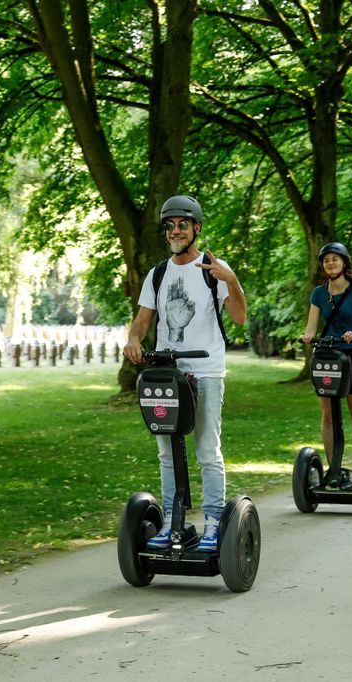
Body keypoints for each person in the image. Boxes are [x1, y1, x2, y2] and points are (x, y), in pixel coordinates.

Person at [123, 195, 247, 552]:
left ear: (196, 228)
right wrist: (133, 340)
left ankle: (212, 523)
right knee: (167, 451)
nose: (176, 230)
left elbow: (239, 317)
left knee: (207, 449)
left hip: (206, 369)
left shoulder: (214, 269)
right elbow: (143, 321)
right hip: (167, 373)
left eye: (183, 224)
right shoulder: (158, 274)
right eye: (170, 225)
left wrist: (232, 279)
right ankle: (174, 522)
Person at [300, 242, 352, 488]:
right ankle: (333, 469)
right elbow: (311, 327)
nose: (330, 263)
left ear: (344, 262)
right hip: (328, 357)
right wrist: (307, 337)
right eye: (326, 260)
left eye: (335, 259)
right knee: (328, 415)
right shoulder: (319, 294)